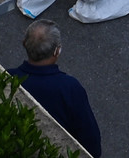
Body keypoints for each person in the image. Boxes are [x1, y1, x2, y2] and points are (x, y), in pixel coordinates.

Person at [8, 20, 102, 157]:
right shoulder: (69, 87)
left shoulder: (8, 76)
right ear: (57, 51)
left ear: (24, 44)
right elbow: (89, 136)